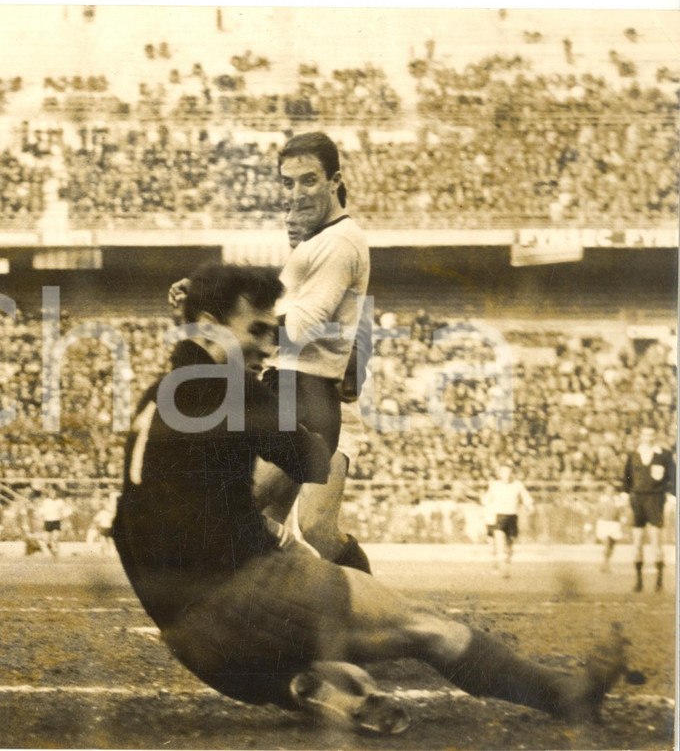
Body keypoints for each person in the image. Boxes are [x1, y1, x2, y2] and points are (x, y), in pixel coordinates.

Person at [114, 265, 631, 735]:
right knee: (427, 629)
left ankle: (307, 686)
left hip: (194, 645)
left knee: (347, 648)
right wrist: (310, 383)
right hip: (250, 602)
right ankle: (564, 694)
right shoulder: (230, 386)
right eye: (257, 330)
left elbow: (125, 529)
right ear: (209, 326)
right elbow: (313, 461)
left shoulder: (152, 399)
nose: (267, 346)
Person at [170, 131, 371, 573]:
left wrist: (233, 328)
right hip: (295, 388)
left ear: (335, 181)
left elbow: (300, 324)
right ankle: (293, 602)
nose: (295, 198)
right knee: (299, 528)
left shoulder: (338, 243)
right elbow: (274, 304)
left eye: (308, 181)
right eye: (288, 185)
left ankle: (365, 609)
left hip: (311, 393)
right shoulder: (315, 246)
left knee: (252, 507)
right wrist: (204, 290)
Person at [620, 426, 675, 592]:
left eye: (651, 434)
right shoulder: (633, 455)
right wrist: (624, 495)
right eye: (645, 434)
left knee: (655, 541)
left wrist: (672, 496)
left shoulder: (664, 455)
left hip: (655, 499)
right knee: (637, 541)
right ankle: (638, 581)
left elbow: (673, 477)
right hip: (637, 499)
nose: (648, 437)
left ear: (655, 436)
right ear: (641, 436)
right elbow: (626, 478)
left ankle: (659, 581)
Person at [480, 463, 534, 579]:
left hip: (512, 516)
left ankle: (504, 563)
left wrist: (529, 505)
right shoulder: (495, 485)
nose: (507, 475)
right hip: (499, 516)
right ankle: (502, 568)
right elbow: (487, 498)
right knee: (499, 540)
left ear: (512, 473)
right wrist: (484, 503)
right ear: (500, 474)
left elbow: (525, 496)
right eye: (504, 472)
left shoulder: (517, 485)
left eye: (509, 472)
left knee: (509, 545)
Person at [595, 486, 628, 573]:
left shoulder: (618, 500)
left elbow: (622, 511)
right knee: (606, 544)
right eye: (608, 490)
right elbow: (597, 511)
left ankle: (607, 562)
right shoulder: (602, 500)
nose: (610, 492)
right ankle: (605, 564)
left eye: (612, 490)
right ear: (605, 491)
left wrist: (623, 518)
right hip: (604, 524)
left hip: (615, 524)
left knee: (612, 546)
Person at [38, 489, 70, 558]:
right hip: (47, 521)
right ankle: (52, 551)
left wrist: (63, 516)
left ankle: (56, 552)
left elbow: (65, 510)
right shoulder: (46, 502)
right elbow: (41, 510)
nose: (53, 495)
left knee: (55, 538)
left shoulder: (60, 502)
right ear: (49, 494)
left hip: (56, 521)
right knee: (46, 540)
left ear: (56, 494)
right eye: (51, 493)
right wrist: (41, 517)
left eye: (54, 493)